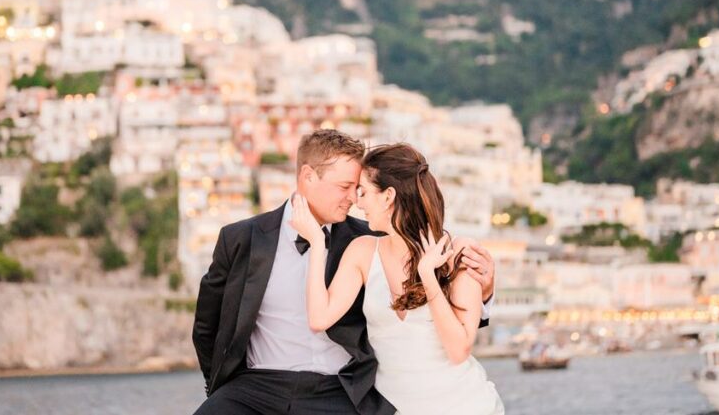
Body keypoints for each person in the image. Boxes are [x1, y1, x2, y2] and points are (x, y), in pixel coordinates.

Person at [192, 130, 497, 415]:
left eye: (358, 189)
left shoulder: (369, 237)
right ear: (308, 177)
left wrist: (483, 294)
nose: (353, 199)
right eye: (345, 187)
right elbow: (208, 322)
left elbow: (440, 308)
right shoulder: (242, 238)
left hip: (341, 388)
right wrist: (217, 384)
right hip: (257, 384)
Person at [291, 142, 504, 415]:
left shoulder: (457, 253)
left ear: (388, 196)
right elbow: (319, 319)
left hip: (464, 406)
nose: (357, 201)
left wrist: (428, 277)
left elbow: (458, 350)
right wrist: (318, 245)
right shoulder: (363, 251)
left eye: (364, 192)